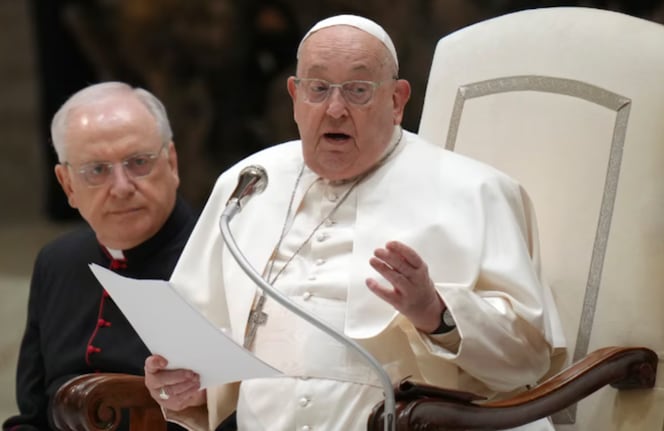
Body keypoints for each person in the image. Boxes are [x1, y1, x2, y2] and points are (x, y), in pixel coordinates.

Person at [144, 15, 564, 431]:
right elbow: (195, 345)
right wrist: (186, 384)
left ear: (397, 101)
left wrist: (436, 314)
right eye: (318, 88)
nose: (335, 109)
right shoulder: (251, 182)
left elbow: (526, 362)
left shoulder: (475, 191)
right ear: (294, 96)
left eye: (359, 90)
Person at [3, 82, 196, 431]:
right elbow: (33, 414)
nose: (122, 187)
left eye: (139, 163)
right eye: (97, 170)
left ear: (172, 162)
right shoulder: (57, 261)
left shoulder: (222, 258)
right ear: (67, 186)